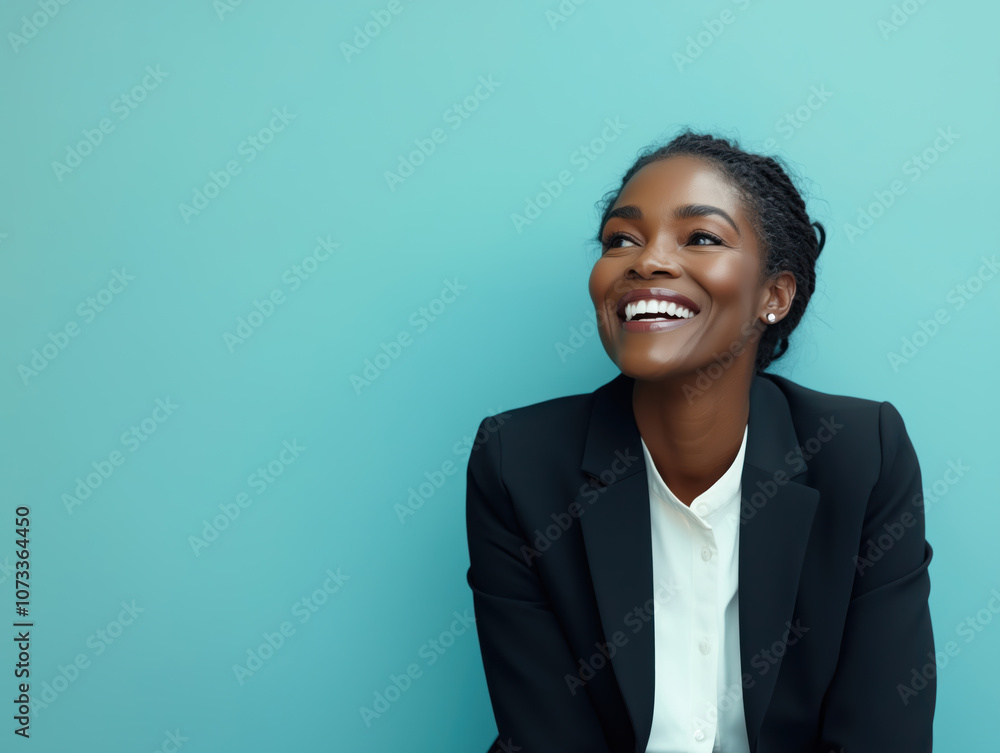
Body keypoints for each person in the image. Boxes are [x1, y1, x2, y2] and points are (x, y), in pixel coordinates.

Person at [464, 131, 935, 753]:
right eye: (621, 240)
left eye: (702, 238)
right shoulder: (517, 463)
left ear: (774, 295)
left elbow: (883, 732)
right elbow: (548, 736)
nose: (647, 261)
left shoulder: (862, 455)